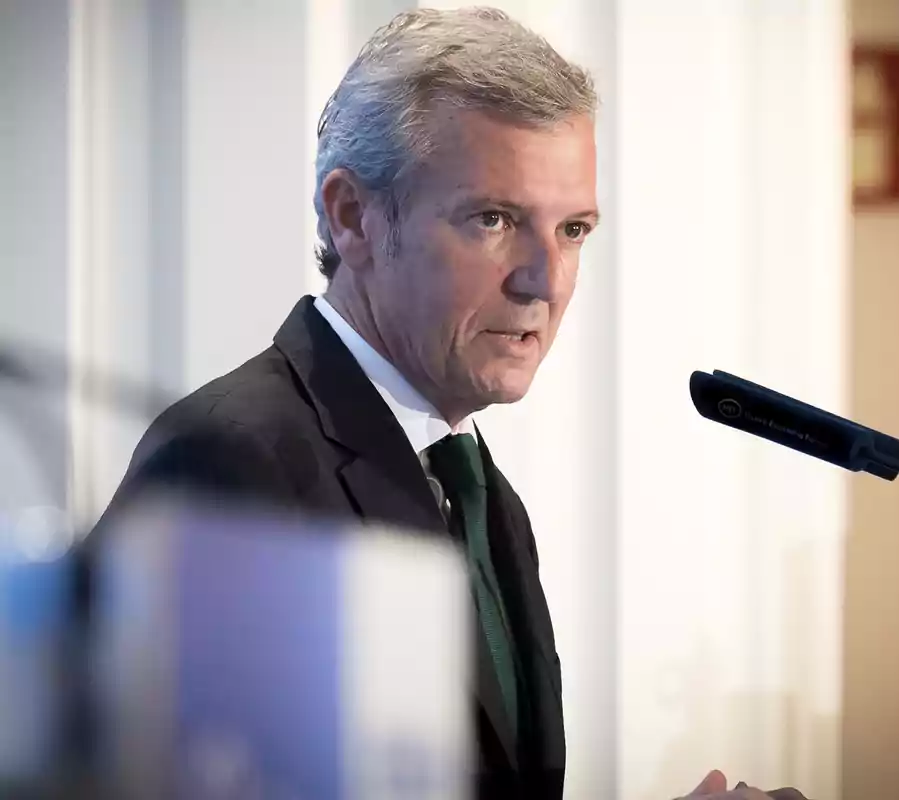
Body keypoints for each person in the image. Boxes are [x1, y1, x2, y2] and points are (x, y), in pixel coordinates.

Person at [95, 7, 806, 799]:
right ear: (353, 217)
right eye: (494, 219)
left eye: (573, 229)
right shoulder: (229, 461)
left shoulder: (481, 493)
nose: (545, 280)